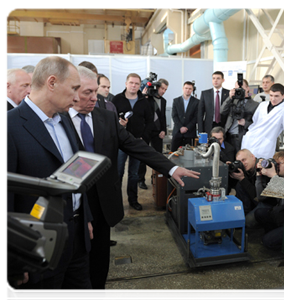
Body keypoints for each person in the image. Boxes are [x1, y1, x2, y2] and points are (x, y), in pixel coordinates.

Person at [66, 66, 199, 300]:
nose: (95, 98)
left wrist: (170, 167)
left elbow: (135, 145)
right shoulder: (58, 119)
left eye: (96, 91)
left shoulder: (105, 117)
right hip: (71, 209)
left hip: (101, 205)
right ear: (72, 91)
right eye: (89, 92)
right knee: (73, 269)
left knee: (99, 265)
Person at [5, 56, 94, 300]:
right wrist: (12, 255)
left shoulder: (65, 119)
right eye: (74, 88)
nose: (78, 97)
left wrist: (84, 216)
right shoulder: (9, 127)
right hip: (37, 246)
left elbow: (75, 173)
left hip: (76, 238)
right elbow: (6, 198)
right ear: (52, 82)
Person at [112, 73, 154, 210]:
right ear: (126, 83)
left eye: (136, 83)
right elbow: (109, 121)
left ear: (139, 85)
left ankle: (133, 200)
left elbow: (149, 122)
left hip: (136, 143)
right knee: (118, 173)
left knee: (134, 174)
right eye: (131, 83)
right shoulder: (117, 100)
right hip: (120, 143)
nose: (134, 86)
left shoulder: (144, 101)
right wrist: (120, 125)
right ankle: (116, 201)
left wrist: (143, 138)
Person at [242, 83, 284, 160]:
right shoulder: (262, 105)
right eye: (271, 95)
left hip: (265, 146)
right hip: (249, 141)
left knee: (262, 168)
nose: (273, 99)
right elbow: (255, 121)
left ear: (283, 96)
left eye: (276, 96)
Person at [254, 151, 284, 250]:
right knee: (259, 213)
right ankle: (274, 234)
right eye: (275, 163)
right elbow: (261, 197)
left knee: (267, 241)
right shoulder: (279, 178)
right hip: (280, 217)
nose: (276, 166)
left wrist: (274, 176)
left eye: (280, 163)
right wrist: (258, 176)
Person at [138, 78, 169, 190]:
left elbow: (163, 117)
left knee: (157, 156)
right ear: (156, 87)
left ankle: (155, 178)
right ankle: (140, 179)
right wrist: (143, 95)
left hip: (158, 132)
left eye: (165, 89)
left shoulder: (164, 101)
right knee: (143, 157)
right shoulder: (147, 98)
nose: (163, 91)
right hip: (146, 131)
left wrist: (163, 130)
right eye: (162, 88)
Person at [220, 79, 259, 153]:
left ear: (247, 88)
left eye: (242, 88)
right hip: (228, 135)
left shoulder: (255, 105)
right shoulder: (232, 101)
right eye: (237, 89)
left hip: (242, 137)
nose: (239, 91)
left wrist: (245, 123)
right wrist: (230, 97)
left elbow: (258, 124)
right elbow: (222, 111)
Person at [197, 71, 230, 135]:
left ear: (223, 80)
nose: (215, 80)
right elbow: (200, 113)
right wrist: (200, 130)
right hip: (209, 126)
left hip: (223, 125)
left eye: (218, 78)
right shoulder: (205, 94)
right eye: (213, 78)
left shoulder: (228, 93)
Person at [171, 81, 199, 152]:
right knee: (174, 154)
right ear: (183, 88)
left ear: (192, 90)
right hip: (177, 132)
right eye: (186, 88)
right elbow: (174, 115)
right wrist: (180, 127)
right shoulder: (176, 101)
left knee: (189, 155)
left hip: (190, 133)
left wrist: (187, 128)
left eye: (190, 88)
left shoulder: (197, 102)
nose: (188, 90)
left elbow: (196, 117)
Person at [230, 149, 257, 216]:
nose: (242, 164)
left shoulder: (262, 169)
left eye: (244, 160)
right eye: (239, 162)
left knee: (248, 221)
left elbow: (257, 197)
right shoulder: (246, 170)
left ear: (253, 157)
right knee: (239, 185)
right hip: (251, 204)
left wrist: (242, 179)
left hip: (264, 204)